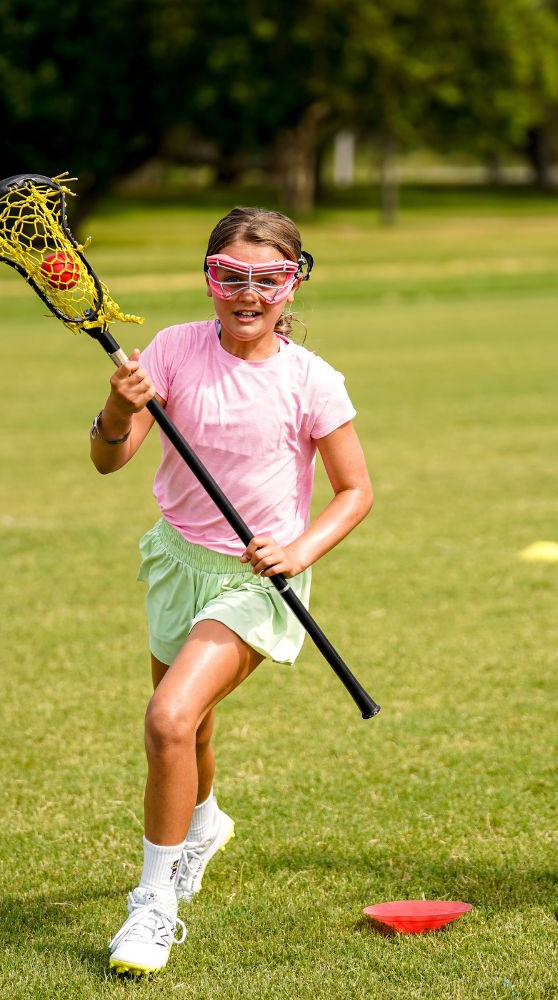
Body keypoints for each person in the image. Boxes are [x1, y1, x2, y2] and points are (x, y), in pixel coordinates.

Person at [91, 207, 372, 976]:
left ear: (295, 281)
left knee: (168, 718)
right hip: (177, 563)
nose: (247, 294)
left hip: (257, 581)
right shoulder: (175, 349)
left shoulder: (312, 379)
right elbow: (109, 460)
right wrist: (121, 403)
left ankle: (152, 906)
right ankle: (204, 824)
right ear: (209, 278)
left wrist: (296, 549)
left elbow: (355, 492)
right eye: (229, 276)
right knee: (195, 734)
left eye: (267, 278)